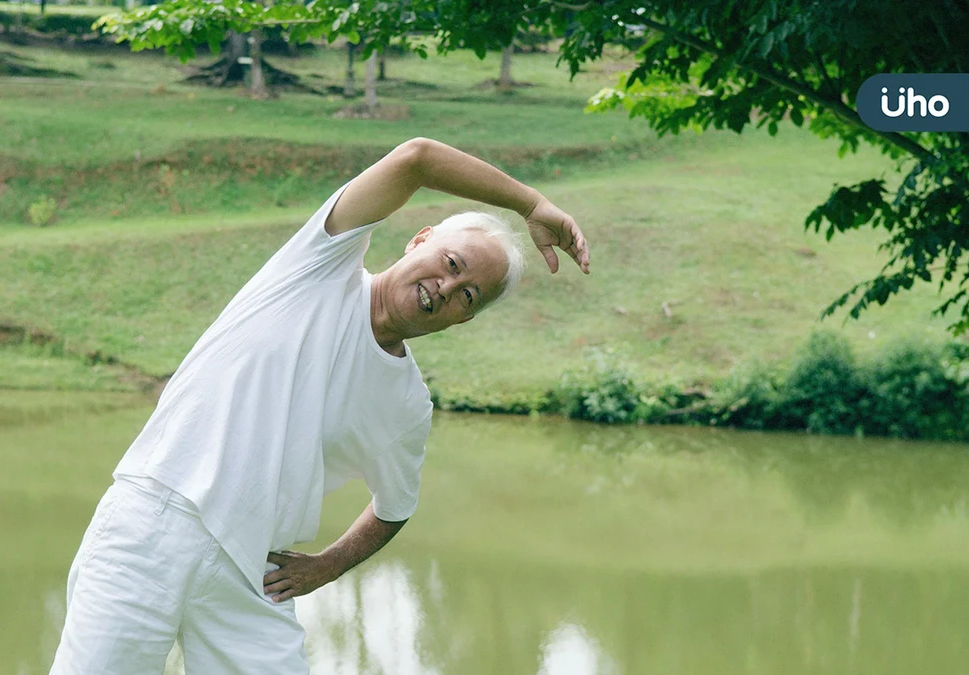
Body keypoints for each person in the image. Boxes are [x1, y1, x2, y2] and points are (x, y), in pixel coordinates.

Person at [49, 137, 590, 674]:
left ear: (462, 320)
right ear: (419, 240)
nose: (447, 287)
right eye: (451, 262)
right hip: (154, 523)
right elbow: (417, 159)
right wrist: (531, 205)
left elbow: (394, 507)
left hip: (253, 575)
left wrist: (326, 566)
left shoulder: (407, 406)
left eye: (468, 294)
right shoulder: (318, 265)